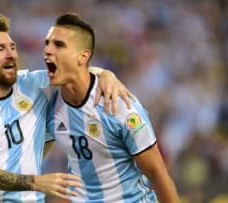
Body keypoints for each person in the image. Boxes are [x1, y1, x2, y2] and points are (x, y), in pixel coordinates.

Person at [0, 14, 133, 203]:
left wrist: (105, 74)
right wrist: (36, 182)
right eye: (0, 49)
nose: (12, 54)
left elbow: (73, 71)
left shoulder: (32, 86)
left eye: (12, 47)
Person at [44, 13, 180, 203]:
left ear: (83, 56)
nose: (48, 50)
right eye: (47, 43)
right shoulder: (49, 104)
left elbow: (158, 175)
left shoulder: (119, 106)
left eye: (58, 45)